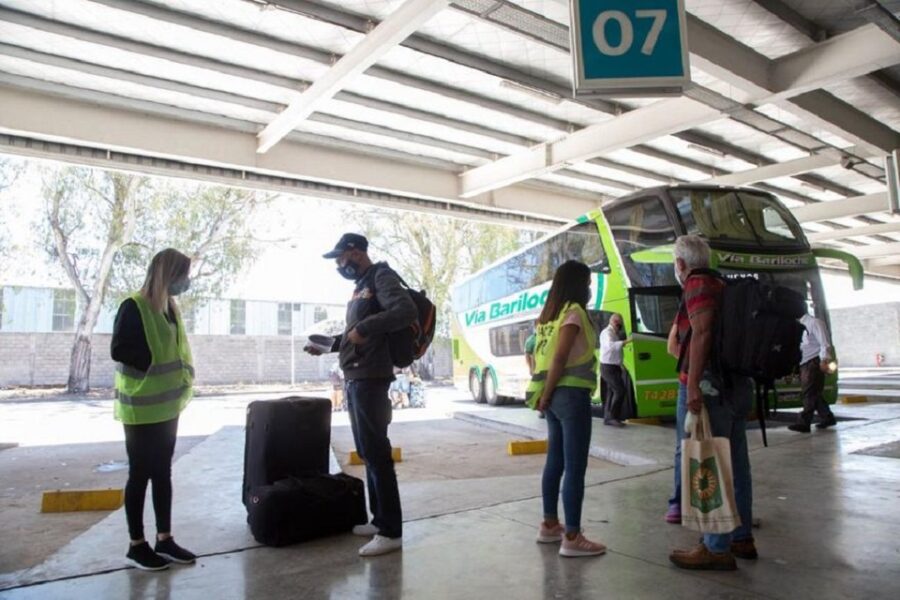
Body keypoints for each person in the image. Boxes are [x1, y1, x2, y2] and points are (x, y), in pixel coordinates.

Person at [304, 233, 416, 557]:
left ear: (356, 252)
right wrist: (329, 344)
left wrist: (364, 329)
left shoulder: (381, 275)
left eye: (341, 257)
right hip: (355, 376)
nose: (339, 264)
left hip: (372, 377)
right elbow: (357, 333)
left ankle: (391, 531)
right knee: (368, 451)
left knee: (377, 453)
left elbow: (405, 311)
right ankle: (378, 518)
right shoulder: (360, 286)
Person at [668, 235, 756, 571]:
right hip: (734, 385)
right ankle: (741, 536)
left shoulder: (697, 283)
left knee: (707, 462)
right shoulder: (722, 282)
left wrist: (692, 386)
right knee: (736, 463)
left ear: (681, 263)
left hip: (710, 387)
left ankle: (715, 547)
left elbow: (702, 332)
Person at [111, 248, 197, 571]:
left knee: (163, 473)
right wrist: (149, 363)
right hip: (141, 408)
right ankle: (136, 545)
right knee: (140, 474)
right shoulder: (133, 306)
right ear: (167, 275)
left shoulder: (169, 308)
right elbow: (119, 349)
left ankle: (165, 538)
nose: (185, 283)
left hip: (167, 407)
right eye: (182, 276)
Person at [525, 260, 606, 558]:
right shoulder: (573, 314)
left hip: (555, 397)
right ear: (577, 284)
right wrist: (546, 395)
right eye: (587, 282)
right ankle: (572, 536)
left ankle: (549, 525)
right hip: (570, 396)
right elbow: (559, 359)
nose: (589, 288)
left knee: (555, 461)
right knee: (575, 466)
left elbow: (541, 358)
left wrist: (545, 397)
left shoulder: (548, 317)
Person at [788, 311, 837, 433]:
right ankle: (827, 417)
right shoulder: (799, 324)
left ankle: (804, 422)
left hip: (813, 362)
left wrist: (824, 360)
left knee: (808, 392)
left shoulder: (815, 323)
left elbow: (825, 343)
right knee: (814, 392)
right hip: (804, 362)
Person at [599, 314, 631, 427]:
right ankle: (612, 417)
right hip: (608, 367)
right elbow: (610, 346)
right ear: (612, 321)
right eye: (618, 322)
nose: (619, 324)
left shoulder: (614, 333)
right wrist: (626, 341)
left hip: (613, 366)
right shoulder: (607, 332)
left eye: (620, 322)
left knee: (611, 392)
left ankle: (609, 418)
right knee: (619, 390)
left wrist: (621, 365)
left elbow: (615, 353)